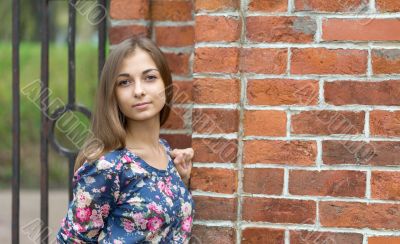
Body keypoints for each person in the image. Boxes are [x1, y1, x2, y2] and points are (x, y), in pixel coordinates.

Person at [56, 36, 195, 243]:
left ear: (165, 83)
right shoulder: (108, 166)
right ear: (113, 94)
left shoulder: (166, 153)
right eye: (125, 82)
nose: (139, 91)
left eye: (149, 78)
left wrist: (181, 180)